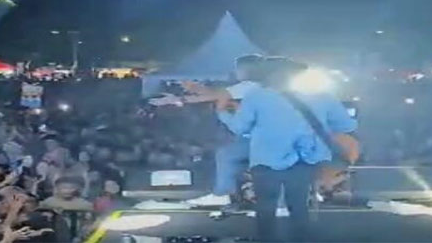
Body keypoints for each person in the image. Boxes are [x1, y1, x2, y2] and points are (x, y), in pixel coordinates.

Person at [217, 57, 357, 242]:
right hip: (304, 158)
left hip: (266, 159)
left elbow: (240, 128)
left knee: (265, 208)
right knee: (299, 206)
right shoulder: (321, 96)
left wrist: (223, 113)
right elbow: (346, 125)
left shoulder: (256, 96)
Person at [150, 54, 266, 208]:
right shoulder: (253, 86)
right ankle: (229, 192)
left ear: (248, 69)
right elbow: (217, 93)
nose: (236, 72)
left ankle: (225, 194)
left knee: (229, 155)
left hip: (265, 138)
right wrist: (194, 89)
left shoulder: (252, 86)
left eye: (239, 69)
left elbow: (216, 95)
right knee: (227, 154)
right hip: (253, 136)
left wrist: (179, 99)